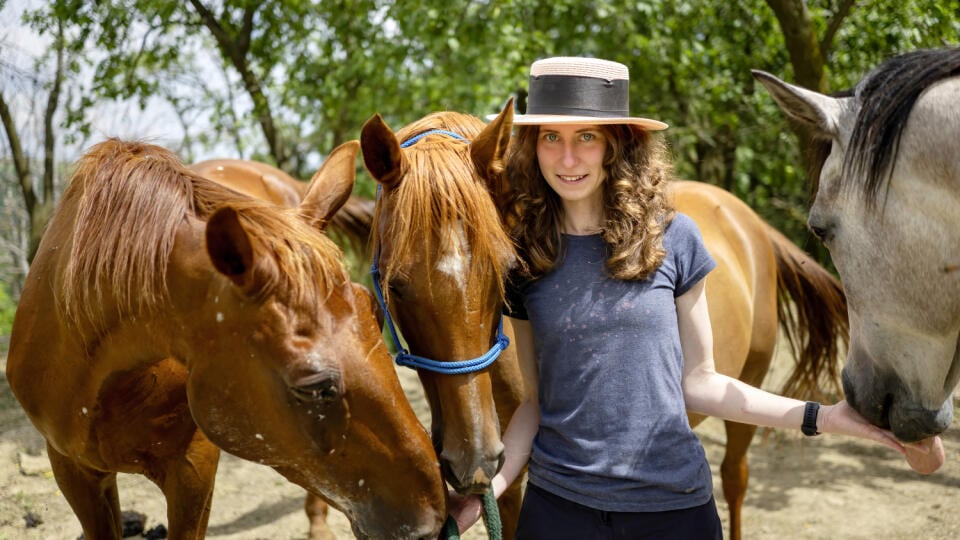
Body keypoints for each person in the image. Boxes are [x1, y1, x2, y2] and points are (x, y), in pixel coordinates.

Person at [448, 56, 944, 539]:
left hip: (673, 509)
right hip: (558, 511)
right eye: (551, 138)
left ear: (616, 144)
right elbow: (536, 405)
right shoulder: (525, 259)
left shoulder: (674, 238)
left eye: (587, 137)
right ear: (531, 146)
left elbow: (700, 382)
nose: (568, 158)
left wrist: (823, 417)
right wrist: (486, 492)